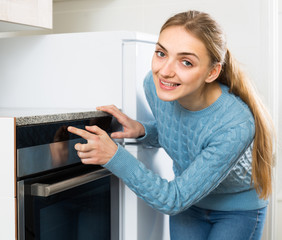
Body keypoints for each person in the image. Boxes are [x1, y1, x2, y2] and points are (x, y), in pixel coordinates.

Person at [67, 10, 275, 240]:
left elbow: (172, 199)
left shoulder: (236, 124)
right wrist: (144, 131)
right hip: (190, 204)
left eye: (186, 62)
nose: (164, 71)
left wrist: (114, 157)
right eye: (161, 53)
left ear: (212, 71)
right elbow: (186, 134)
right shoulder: (154, 86)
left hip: (236, 210)